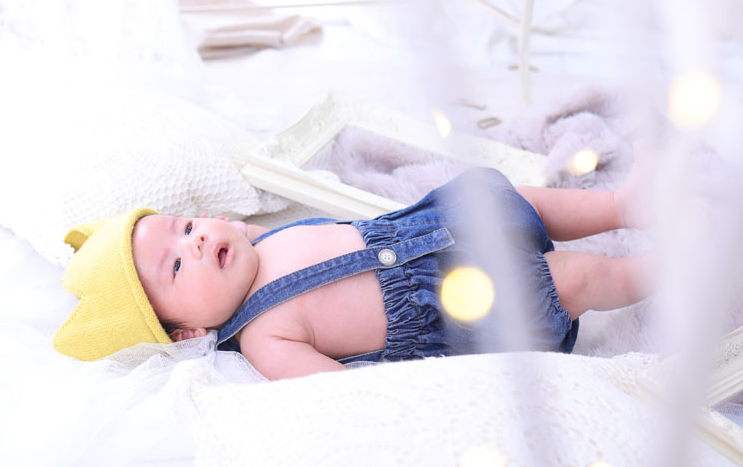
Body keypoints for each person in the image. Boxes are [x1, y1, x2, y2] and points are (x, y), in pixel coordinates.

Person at [53, 157, 654, 381]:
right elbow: (342, 391)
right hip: (457, 306)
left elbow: (236, 232)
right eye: (178, 266)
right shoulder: (265, 338)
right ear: (188, 331)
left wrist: (222, 234)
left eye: (187, 227)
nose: (200, 239)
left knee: (514, 201)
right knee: (569, 280)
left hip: (438, 228)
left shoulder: (254, 243)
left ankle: (622, 205)